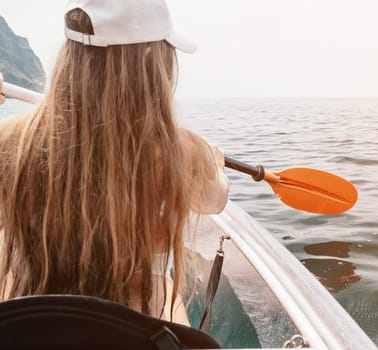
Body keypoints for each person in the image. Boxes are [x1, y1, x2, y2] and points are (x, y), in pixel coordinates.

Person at [0, 0, 229, 326]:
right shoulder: (181, 152)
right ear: (152, 57)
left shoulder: (11, 141)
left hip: (31, 321)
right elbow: (215, 201)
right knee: (163, 286)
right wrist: (213, 163)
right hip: (130, 328)